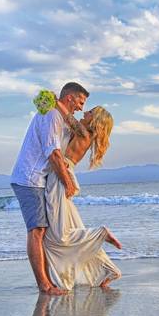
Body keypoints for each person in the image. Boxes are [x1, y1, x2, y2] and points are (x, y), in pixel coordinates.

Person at [10, 82, 88, 295]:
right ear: (70, 97)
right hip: (29, 179)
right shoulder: (52, 115)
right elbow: (52, 153)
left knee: (43, 231)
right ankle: (44, 284)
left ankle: (50, 280)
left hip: (38, 180)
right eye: (80, 102)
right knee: (36, 231)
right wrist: (68, 182)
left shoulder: (59, 115)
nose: (81, 108)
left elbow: (78, 134)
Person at [43, 106, 123, 290]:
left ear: (94, 120)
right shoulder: (84, 133)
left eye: (89, 112)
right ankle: (109, 270)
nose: (84, 112)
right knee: (74, 229)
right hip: (63, 174)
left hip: (60, 176)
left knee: (58, 236)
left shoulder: (83, 131)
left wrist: (55, 101)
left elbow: (67, 116)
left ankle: (101, 233)